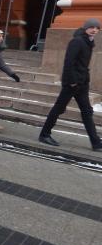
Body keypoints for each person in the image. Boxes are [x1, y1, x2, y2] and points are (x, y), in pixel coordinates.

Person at [39, 19, 102, 151]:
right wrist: (72, 81)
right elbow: (68, 63)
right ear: (86, 28)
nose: (95, 30)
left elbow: (82, 65)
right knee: (58, 109)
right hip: (72, 83)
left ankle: (96, 143)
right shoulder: (77, 41)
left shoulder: (89, 42)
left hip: (82, 83)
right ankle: (44, 134)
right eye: (92, 27)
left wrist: (85, 80)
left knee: (87, 112)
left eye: (97, 28)